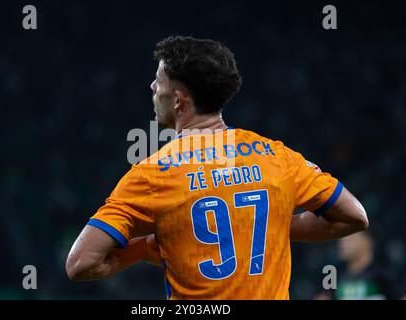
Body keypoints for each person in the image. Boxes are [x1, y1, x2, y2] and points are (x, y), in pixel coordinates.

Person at [65, 36, 369, 299]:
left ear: (179, 101)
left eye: (159, 80)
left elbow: (81, 264)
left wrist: (145, 248)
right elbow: (354, 217)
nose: (153, 86)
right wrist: (260, 227)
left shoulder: (152, 173)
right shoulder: (276, 156)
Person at [315, 231, 405, 300]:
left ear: (367, 241)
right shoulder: (334, 277)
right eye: (341, 238)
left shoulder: (384, 274)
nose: (342, 243)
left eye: (350, 238)